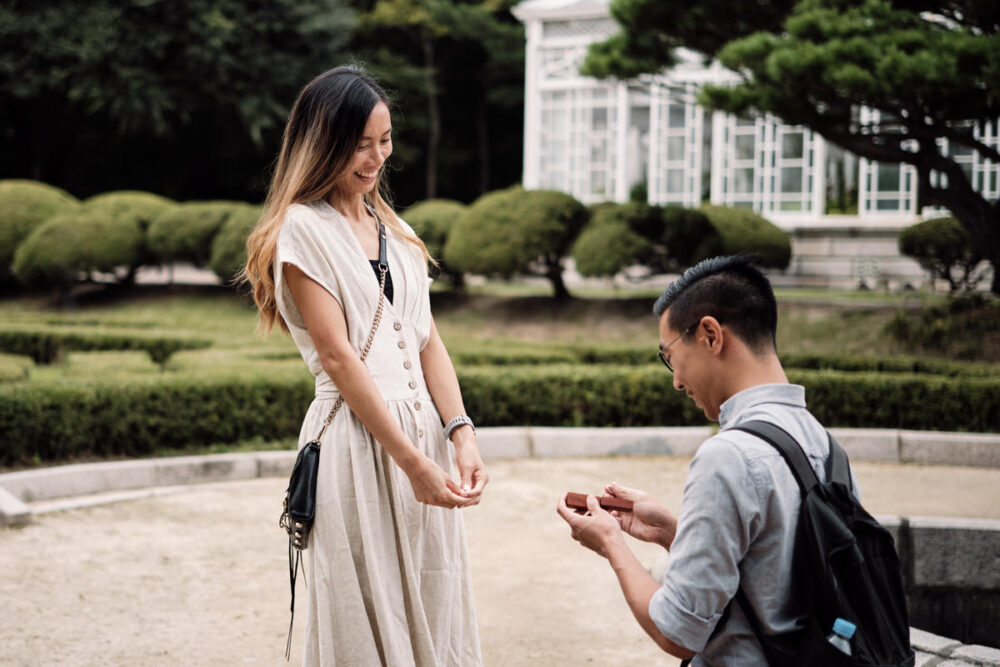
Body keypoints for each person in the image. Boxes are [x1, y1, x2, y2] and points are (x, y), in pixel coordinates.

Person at [242, 65, 486, 666]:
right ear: (323, 143)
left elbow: (428, 339)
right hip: (355, 444)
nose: (378, 157)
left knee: (432, 601)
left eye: (385, 140)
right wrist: (413, 463)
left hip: (421, 439)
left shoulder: (394, 229)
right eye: (361, 144)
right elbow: (337, 356)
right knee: (362, 612)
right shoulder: (302, 230)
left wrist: (460, 432)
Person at [556, 254, 859, 665]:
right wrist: (672, 533)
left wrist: (611, 543)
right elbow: (775, 577)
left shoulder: (728, 454)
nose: (677, 381)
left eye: (669, 356)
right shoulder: (824, 443)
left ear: (710, 335)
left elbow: (677, 631)